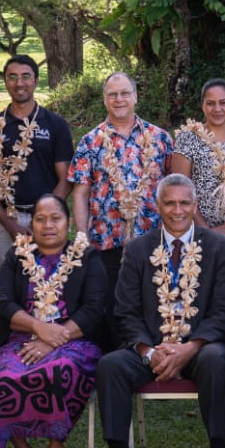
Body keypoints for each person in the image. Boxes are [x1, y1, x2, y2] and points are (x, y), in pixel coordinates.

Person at [95, 174, 225, 448]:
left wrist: (189, 348)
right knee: (110, 366)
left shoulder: (220, 248)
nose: (178, 210)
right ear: (157, 205)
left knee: (217, 361)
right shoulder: (137, 249)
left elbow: (222, 312)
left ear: (195, 205)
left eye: (184, 203)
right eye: (170, 203)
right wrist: (150, 351)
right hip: (151, 348)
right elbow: (126, 311)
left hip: (202, 347)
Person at [0, 194, 107, 448]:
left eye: (56, 218)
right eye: (40, 219)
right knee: (6, 375)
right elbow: (2, 304)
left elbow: (94, 309)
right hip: (20, 340)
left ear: (69, 222)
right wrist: (39, 328)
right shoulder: (17, 257)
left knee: (59, 371)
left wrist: (53, 339)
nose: (48, 225)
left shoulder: (87, 257)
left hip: (75, 341)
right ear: (31, 223)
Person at [70, 72, 174, 340]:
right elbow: (81, 193)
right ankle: (114, 366)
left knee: (154, 304)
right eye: (112, 94)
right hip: (106, 241)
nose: (119, 99)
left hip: (153, 241)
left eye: (125, 93)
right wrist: (82, 237)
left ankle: (152, 360)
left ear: (135, 97)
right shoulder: (90, 142)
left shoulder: (160, 138)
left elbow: (174, 187)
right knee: (111, 308)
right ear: (105, 100)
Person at [0, 54, 75, 270]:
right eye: (13, 77)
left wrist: (43, 217)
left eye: (26, 76)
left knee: (51, 278)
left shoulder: (55, 124)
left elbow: (67, 178)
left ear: (36, 81)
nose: (19, 83)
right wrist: (9, 223)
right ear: (5, 81)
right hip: (5, 218)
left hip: (48, 218)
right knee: (8, 280)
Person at [168, 78, 225, 276]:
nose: (217, 109)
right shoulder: (188, 139)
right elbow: (180, 189)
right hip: (196, 230)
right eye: (211, 103)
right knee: (198, 292)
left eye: (223, 102)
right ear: (203, 106)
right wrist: (205, 229)